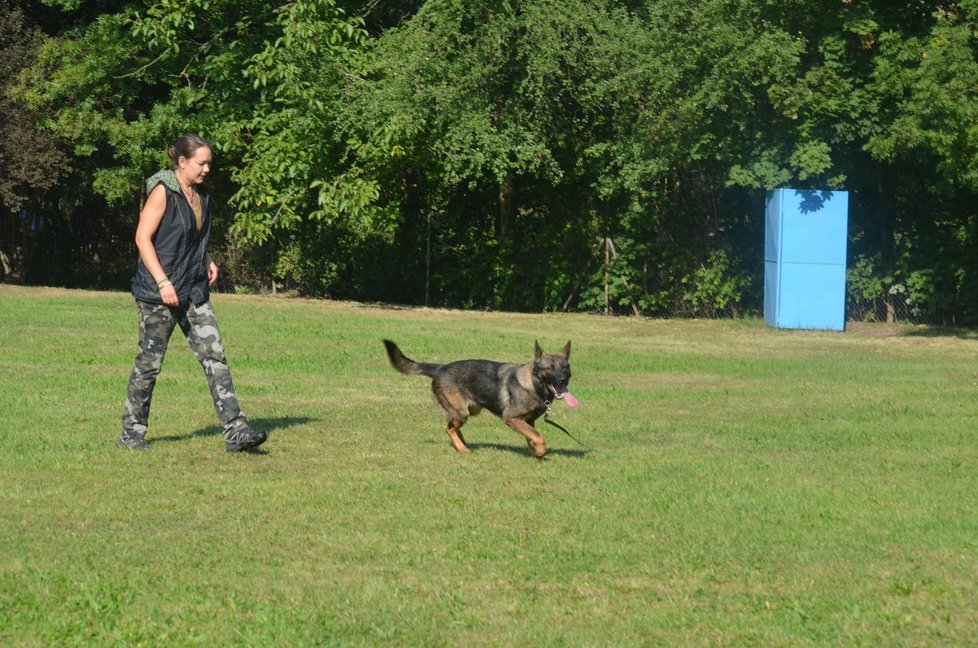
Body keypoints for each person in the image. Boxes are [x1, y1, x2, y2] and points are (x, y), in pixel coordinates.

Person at [118, 133, 266, 452]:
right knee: (149, 363)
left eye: (209, 163)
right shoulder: (163, 192)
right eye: (201, 163)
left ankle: (236, 431)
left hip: (194, 289)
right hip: (159, 294)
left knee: (215, 357)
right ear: (182, 162)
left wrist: (208, 258)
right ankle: (131, 433)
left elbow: (193, 237)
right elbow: (143, 239)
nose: (207, 169)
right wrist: (162, 282)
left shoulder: (201, 194)